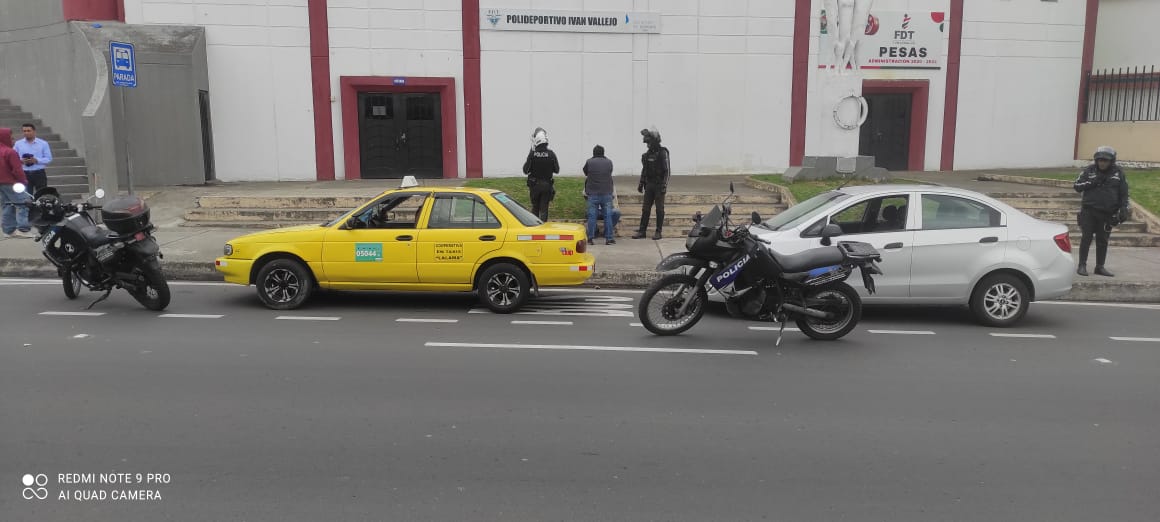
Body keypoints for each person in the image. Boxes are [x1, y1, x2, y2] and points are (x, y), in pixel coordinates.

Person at [1073, 145, 1130, 277]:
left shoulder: (1118, 173)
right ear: (1096, 160)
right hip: (1089, 212)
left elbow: (1124, 194)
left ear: (1111, 161)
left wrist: (1123, 209)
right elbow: (1077, 186)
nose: (1102, 163)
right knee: (1086, 238)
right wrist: (1092, 182)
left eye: (1105, 160)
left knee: (1103, 241)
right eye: (1100, 160)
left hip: (1107, 214)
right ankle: (1082, 265)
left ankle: (1100, 267)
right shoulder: (1089, 171)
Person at [633, 127, 670, 240]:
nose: (647, 144)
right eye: (646, 142)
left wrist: (664, 185)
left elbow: (667, 171)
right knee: (645, 209)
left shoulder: (663, 152)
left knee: (659, 209)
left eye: (649, 142)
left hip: (659, 185)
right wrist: (641, 182)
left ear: (654, 141)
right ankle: (642, 231)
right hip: (649, 184)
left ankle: (658, 231)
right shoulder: (647, 155)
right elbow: (645, 170)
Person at [0, 128, 32, 238]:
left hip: (1, 183)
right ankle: (23, 229)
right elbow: (17, 170)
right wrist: (23, 181)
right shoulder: (10, 152)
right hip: (12, 183)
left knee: (7, 205)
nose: (13, 140)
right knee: (24, 204)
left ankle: (8, 230)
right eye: (11, 138)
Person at [523, 127, 559, 221]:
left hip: (534, 186)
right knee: (544, 209)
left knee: (535, 207)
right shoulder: (551, 154)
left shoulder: (533, 154)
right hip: (547, 185)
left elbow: (525, 170)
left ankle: (535, 228)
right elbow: (557, 170)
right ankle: (543, 229)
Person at [583, 144, 616, 244]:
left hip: (593, 194)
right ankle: (609, 238)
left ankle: (590, 238)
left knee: (592, 216)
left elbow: (585, 172)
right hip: (606, 193)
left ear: (594, 153)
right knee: (608, 216)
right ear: (603, 153)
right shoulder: (609, 162)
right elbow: (610, 172)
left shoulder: (589, 162)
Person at [13, 123, 52, 195]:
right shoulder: (18, 144)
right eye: (24, 131)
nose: (26, 133)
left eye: (28, 131)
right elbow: (13, 158)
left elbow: (48, 159)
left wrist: (36, 160)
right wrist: (21, 161)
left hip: (39, 173)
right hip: (24, 173)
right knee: (26, 196)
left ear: (34, 131)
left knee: (42, 195)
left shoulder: (43, 143)